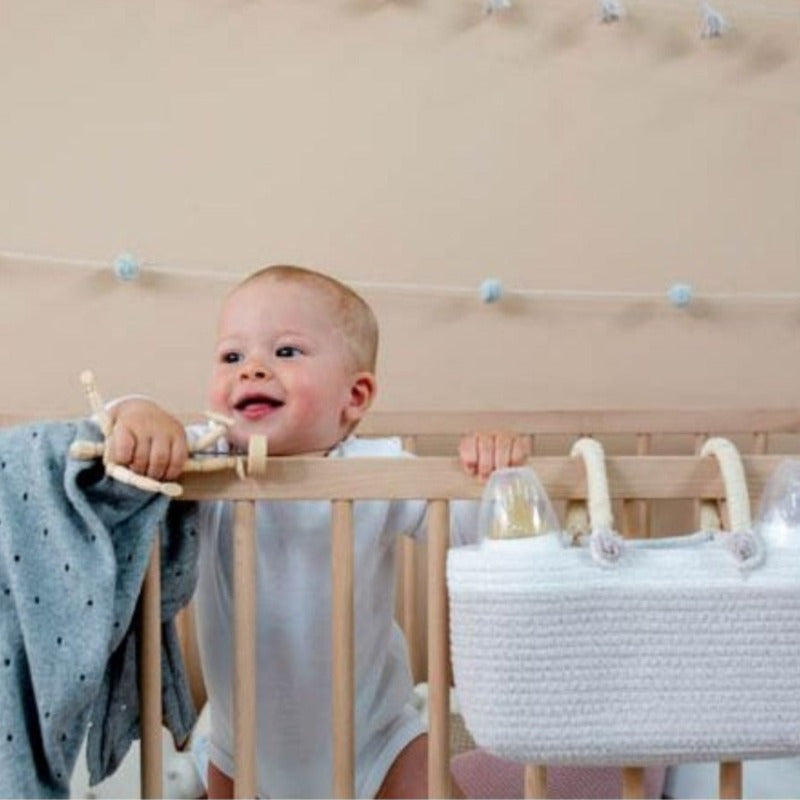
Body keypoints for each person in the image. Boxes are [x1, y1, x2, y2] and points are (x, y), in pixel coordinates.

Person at [106, 264, 531, 798]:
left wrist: (493, 475)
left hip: (379, 744)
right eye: (231, 356)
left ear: (354, 397)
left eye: (285, 352)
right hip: (243, 755)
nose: (252, 369)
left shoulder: (378, 469)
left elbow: (478, 537)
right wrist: (139, 413)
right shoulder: (200, 461)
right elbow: (104, 435)